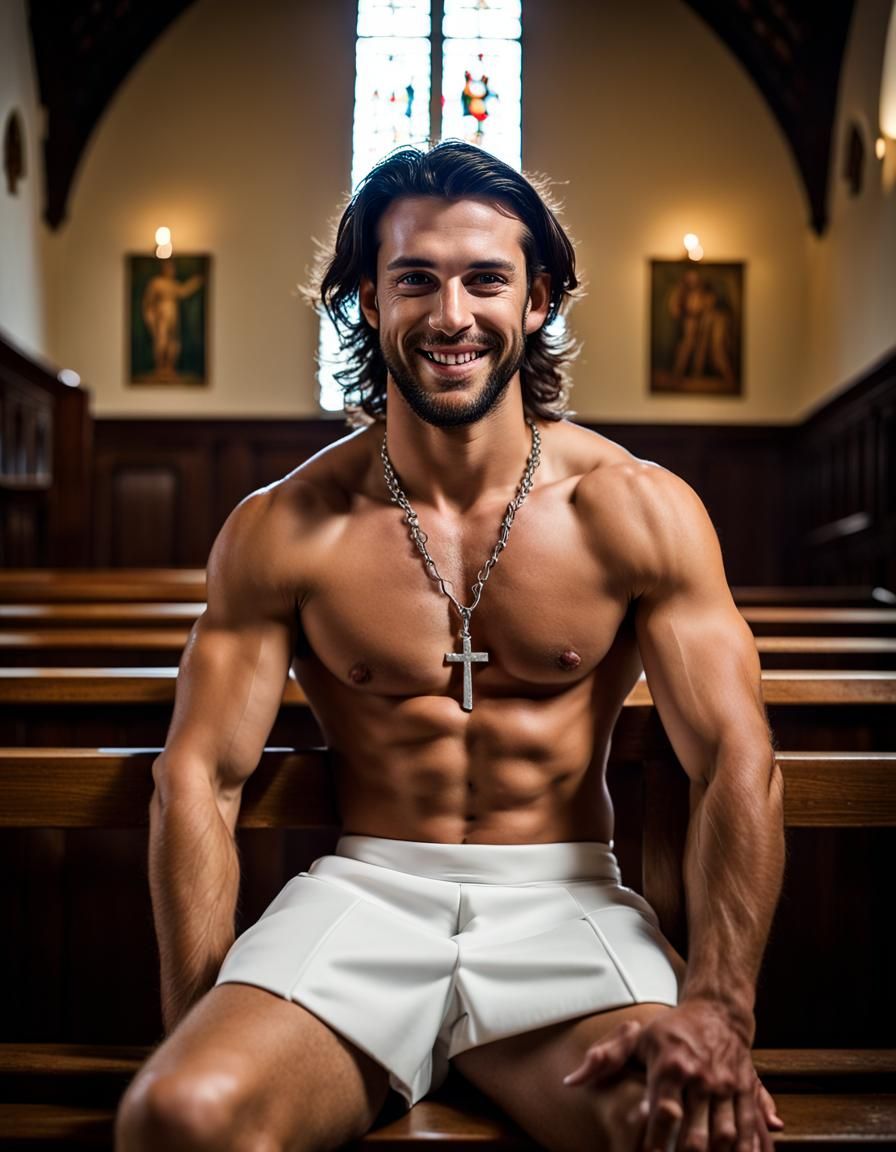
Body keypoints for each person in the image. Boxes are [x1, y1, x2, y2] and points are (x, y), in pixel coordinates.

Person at [116, 141, 785, 1152]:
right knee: (181, 1118)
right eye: (413, 280)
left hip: (562, 902)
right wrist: (202, 1024)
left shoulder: (635, 510)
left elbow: (736, 760)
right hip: (364, 897)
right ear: (365, 301)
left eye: (485, 279)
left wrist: (718, 1009)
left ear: (538, 300)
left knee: (689, 1131)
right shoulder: (286, 524)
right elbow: (198, 779)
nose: (449, 314)